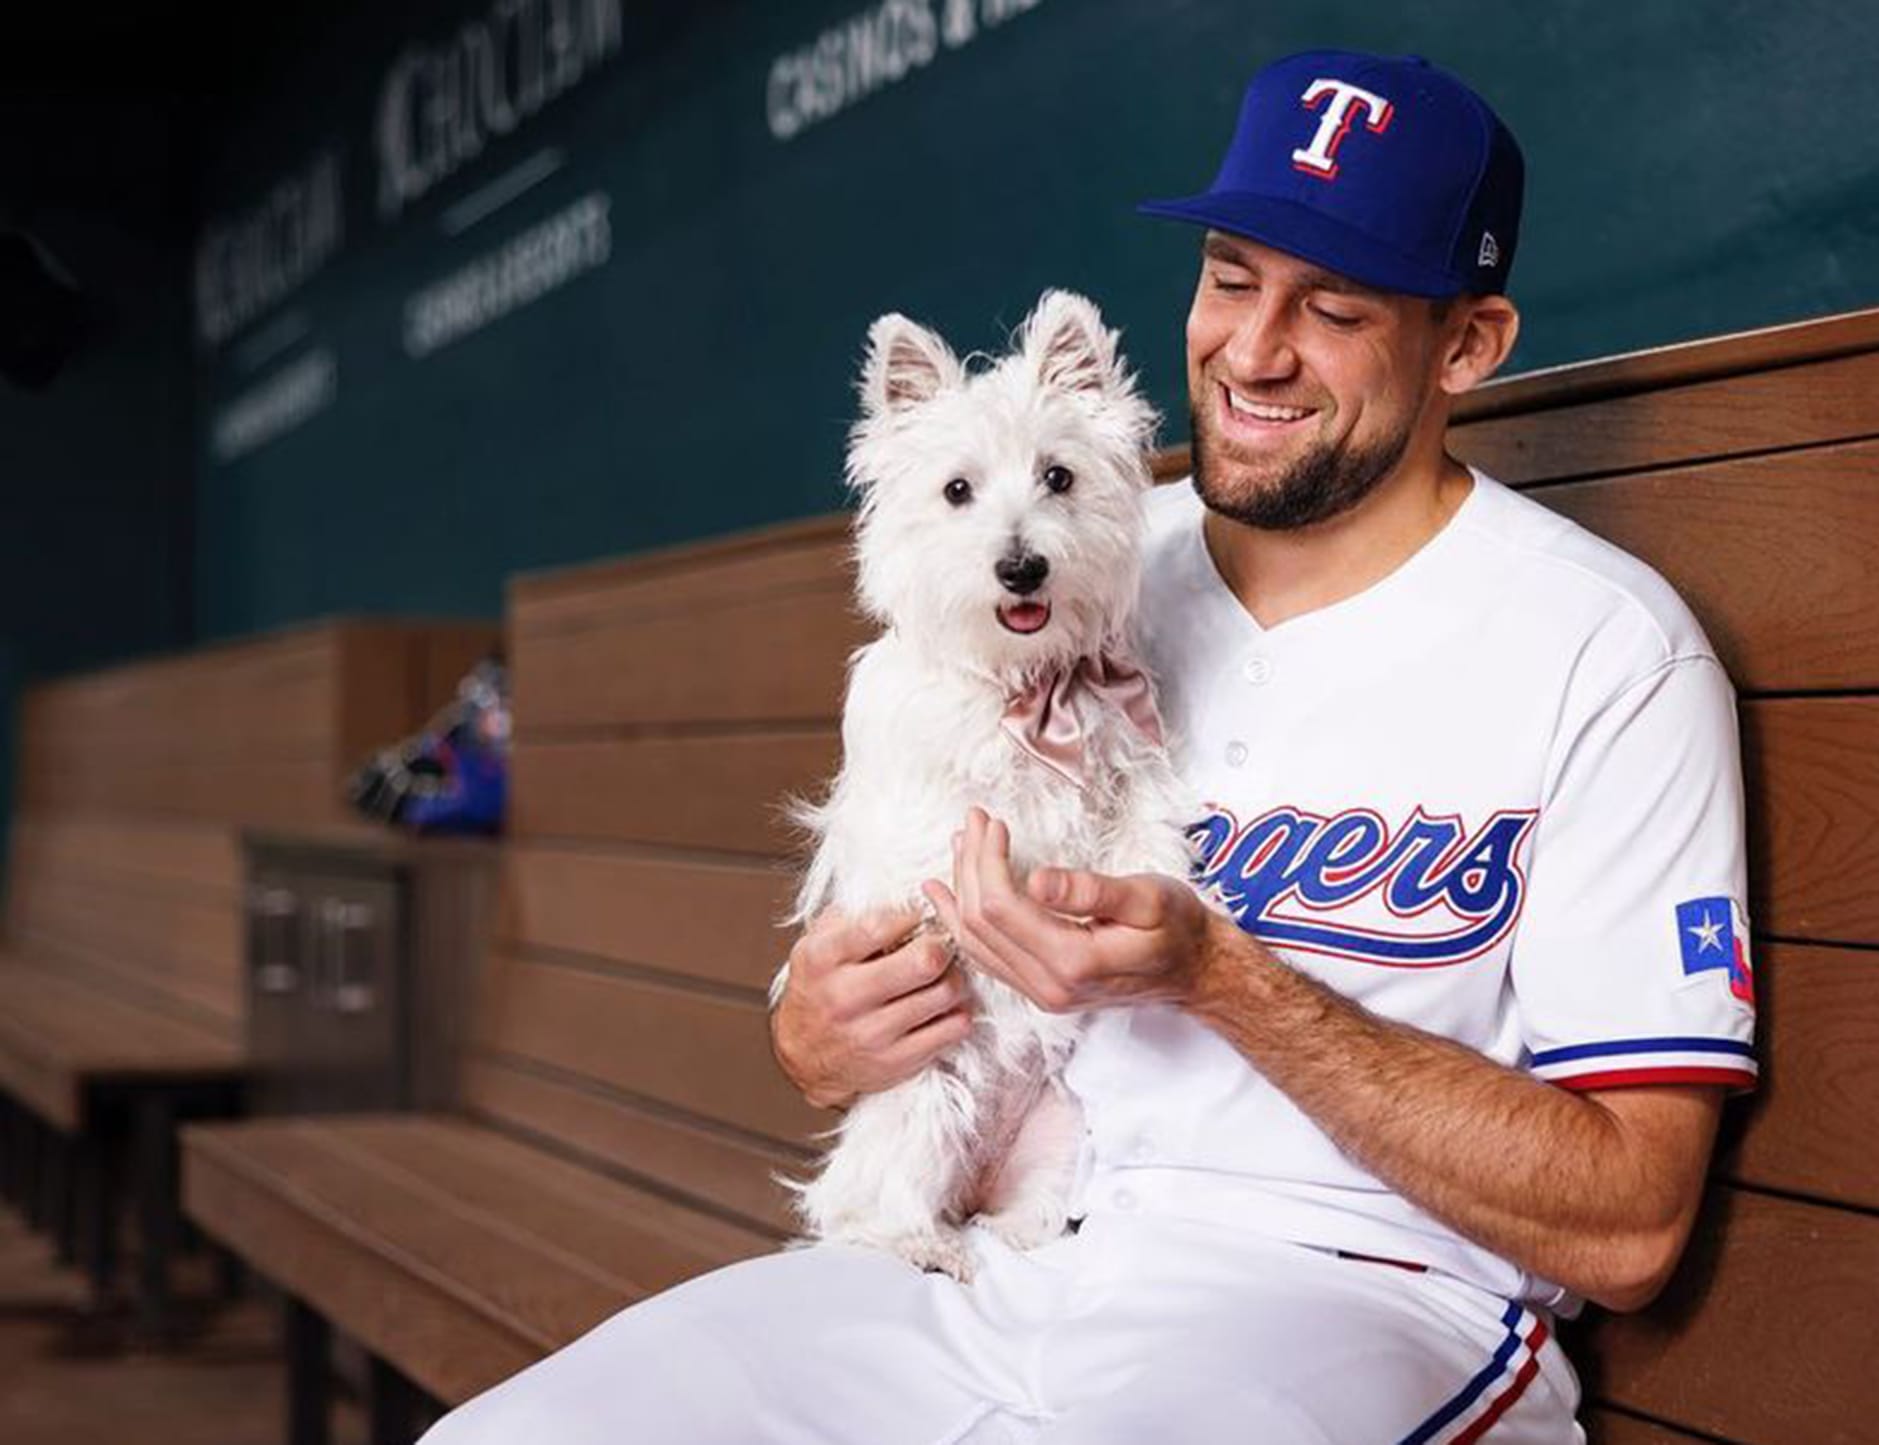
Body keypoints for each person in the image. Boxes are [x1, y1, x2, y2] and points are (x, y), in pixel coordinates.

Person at [425, 49, 1754, 1445]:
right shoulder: (1065, 572)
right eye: (1232, 278)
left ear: (1468, 345)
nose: (1253, 349)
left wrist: (1218, 975)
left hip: (1357, 1297)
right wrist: (817, 1034)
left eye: (1336, 305)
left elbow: (1630, 1223)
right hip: (1003, 1255)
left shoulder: (1602, 649)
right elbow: (864, 963)